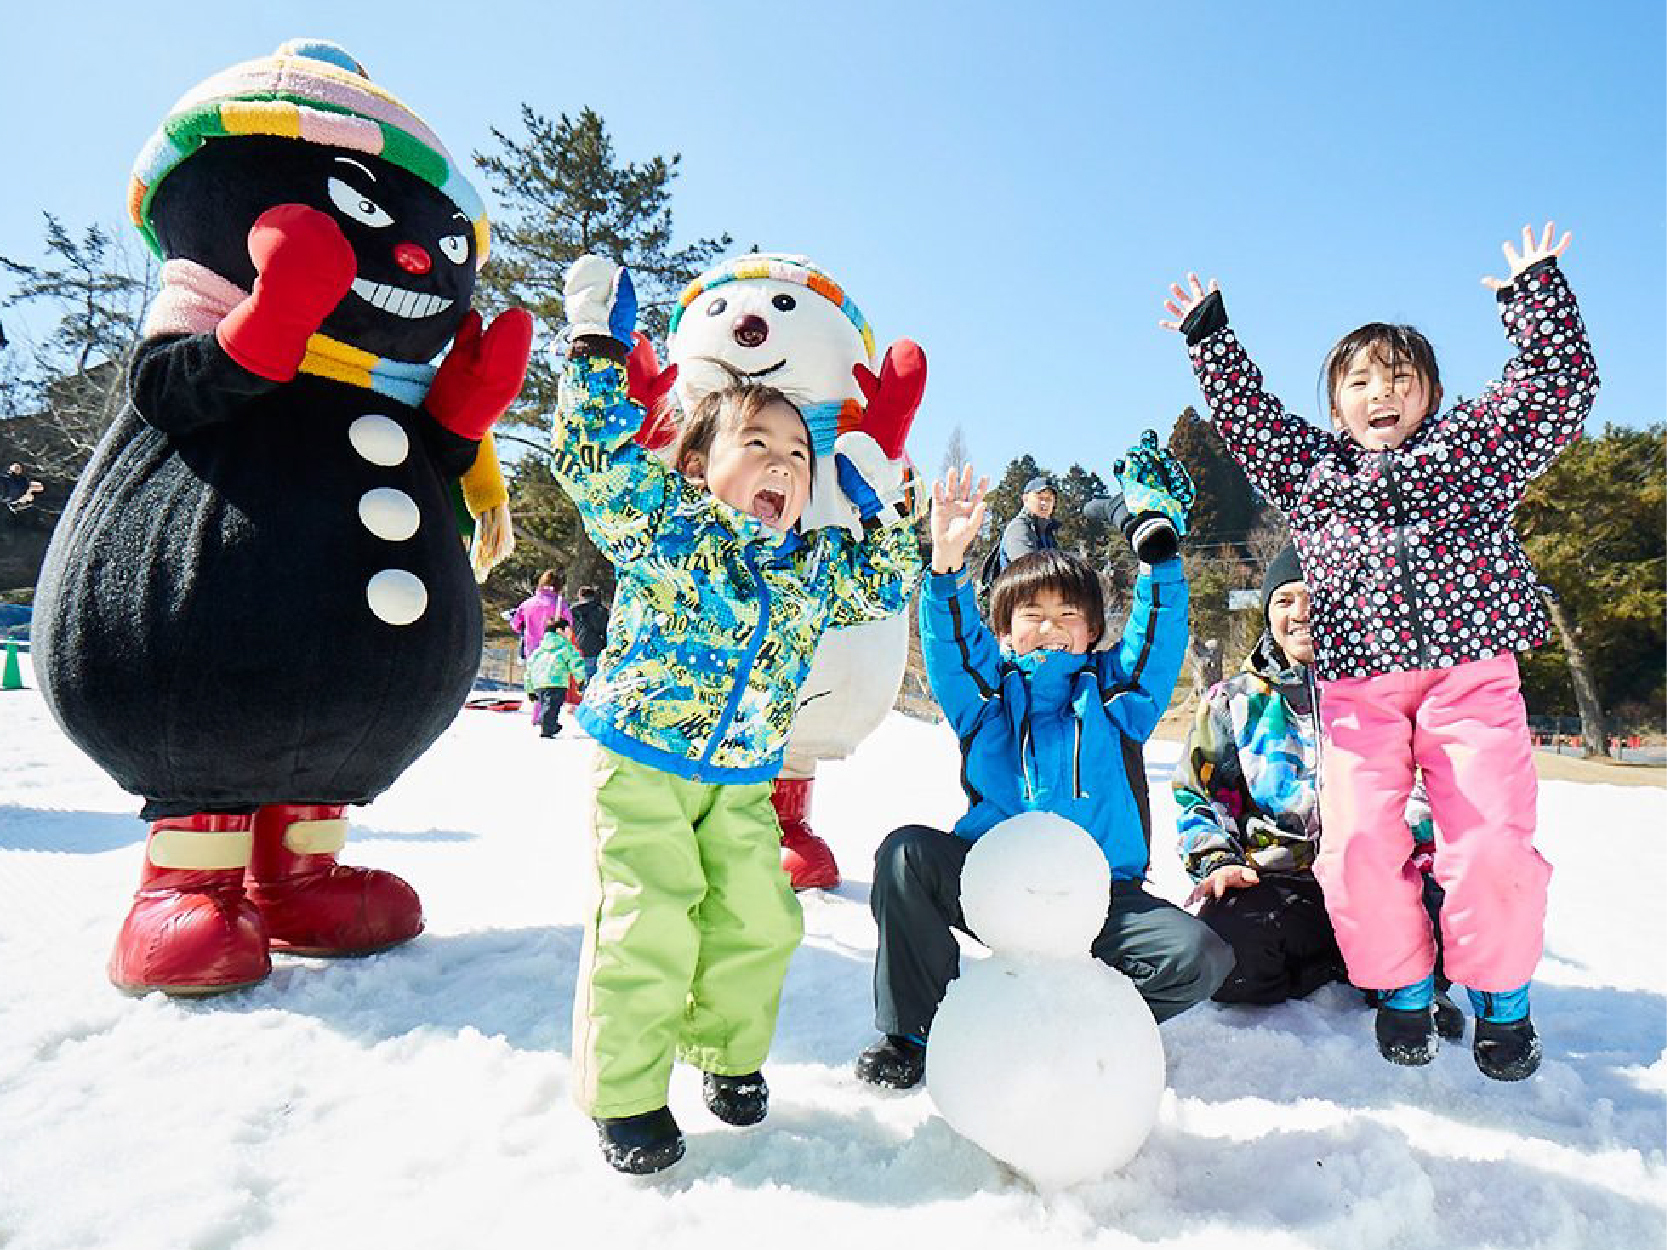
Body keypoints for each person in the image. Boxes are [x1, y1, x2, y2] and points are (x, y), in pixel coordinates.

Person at [1160, 223, 1599, 1080]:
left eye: (1399, 378)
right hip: (1358, 686)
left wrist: (1535, 295)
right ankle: (1399, 985)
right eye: (1359, 381)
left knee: (1489, 845)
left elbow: (1555, 390)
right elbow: (1248, 422)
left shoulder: (1471, 454)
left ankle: (1501, 996)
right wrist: (1210, 339)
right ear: (1334, 408)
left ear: (1430, 395)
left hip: (1470, 675)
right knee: (1356, 843)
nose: (1380, 392)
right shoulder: (1312, 474)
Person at [553, 255, 921, 1173]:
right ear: (695, 462)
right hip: (643, 757)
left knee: (761, 917)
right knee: (651, 921)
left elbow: (883, 580)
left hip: (743, 774)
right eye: (756, 444)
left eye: (798, 456)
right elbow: (591, 459)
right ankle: (629, 1096)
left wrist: (905, 525)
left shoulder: (809, 568)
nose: (782, 466)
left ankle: (724, 1052)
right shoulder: (666, 523)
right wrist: (595, 345)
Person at [855, 453, 1231, 1091]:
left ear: (1090, 634)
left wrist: (1160, 562)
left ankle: (1086, 1030)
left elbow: (1156, 637)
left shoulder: (1120, 699)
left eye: (1068, 616)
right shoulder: (985, 700)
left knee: (1199, 956)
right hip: (993, 886)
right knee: (905, 856)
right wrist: (946, 568)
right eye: (1031, 615)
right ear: (1003, 631)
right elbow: (951, 649)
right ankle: (916, 1032)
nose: (1050, 628)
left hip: (1099, 897)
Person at [1174, 547, 1462, 1037]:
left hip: (1382, 877)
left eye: (1313, 596)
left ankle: (1389, 968)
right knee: (1226, 959)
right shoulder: (1234, 699)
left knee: (1452, 931)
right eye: (1284, 600)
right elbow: (1198, 796)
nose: (1300, 612)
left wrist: (1422, 859)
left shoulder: (1390, 691)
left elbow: (1427, 789)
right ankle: (1344, 963)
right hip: (1281, 882)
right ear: (1268, 613)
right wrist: (1219, 860)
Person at [977, 472, 1059, 591]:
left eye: (1049, 499)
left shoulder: (1047, 533)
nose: (1044, 503)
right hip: (1018, 602)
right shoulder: (1019, 528)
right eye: (1040, 498)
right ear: (1025, 499)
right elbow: (1029, 568)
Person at [523, 623, 584, 738]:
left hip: (539, 683)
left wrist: (530, 689)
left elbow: (529, 670)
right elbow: (576, 663)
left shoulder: (539, 650)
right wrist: (581, 679)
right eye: (568, 630)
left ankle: (549, 723)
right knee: (552, 706)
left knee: (548, 705)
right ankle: (547, 727)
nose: (570, 633)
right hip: (557, 681)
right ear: (559, 631)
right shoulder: (566, 647)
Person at [509, 570, 571, 660]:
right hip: (554, 652)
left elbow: (515, 625)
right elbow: (569, 626)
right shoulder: (561, 605)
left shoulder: (527, 604)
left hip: (532, 651)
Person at [567, 585, 609, 685]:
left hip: (578, 648)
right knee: (595, 679)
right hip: (597, 648)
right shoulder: (601, 610)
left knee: (582, 679)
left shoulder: (573, 610)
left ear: (580, 596)